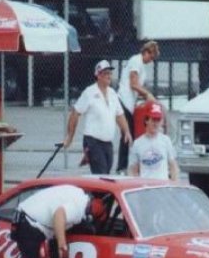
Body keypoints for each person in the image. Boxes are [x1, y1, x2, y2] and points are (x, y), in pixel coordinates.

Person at [11, 184, 105, 258]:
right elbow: (59, 214)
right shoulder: (78, 209)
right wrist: (62, 246)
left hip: (27, 220)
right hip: (30, 225)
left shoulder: (79, 193)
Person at [64, 60, 132, 174]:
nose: (109, 76)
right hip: (93, 140)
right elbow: (75, 113)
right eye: (105, 73)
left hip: (107, 142)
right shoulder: (89, 92)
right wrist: (70, 136)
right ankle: (89, 154)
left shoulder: (113, 93)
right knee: (101, 173)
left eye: (110, 73)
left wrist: (126, 131)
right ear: (98, 75)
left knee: (106, 172)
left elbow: (119, 115)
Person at [117, 41, 160, 173]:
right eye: (151, 57)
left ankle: (134, 164)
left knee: (133, 134)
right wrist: (147, 94)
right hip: (123, 101)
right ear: (146, 52)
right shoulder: (136, 61)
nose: (151, 61)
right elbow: (133, 84)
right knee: (127, 133)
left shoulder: (141, 65)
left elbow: (136, 89)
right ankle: (122, 166)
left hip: (130, 103)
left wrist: (145, 98)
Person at [128, 101, 178, 181]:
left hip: (162, 186)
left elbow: (173, 166)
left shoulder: (166, 140)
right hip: (145, 186)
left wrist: (174, 183)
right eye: (153, 120)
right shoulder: (137, 143)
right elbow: (132, 169)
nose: (156, 123)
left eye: (158, 120)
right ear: (146, 120)